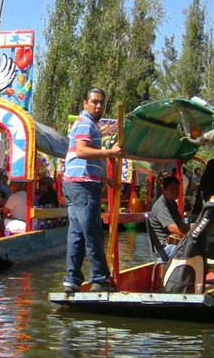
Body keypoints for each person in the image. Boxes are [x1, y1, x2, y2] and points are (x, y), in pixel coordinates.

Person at [62, 87, 124, 294]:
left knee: (78, 232)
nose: (98, 106)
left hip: (77, 182)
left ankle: (72, 279)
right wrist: (110, 152)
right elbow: (81, 151)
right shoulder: (86, 124)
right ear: (85, 103)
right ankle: (99, 278)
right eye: (94, 102)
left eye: (101, 103)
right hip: (82, 185)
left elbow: (86, 161)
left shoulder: (89, 124)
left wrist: (106, 179)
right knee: (92, 231)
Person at [148, 176, 190, 262]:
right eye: (171, 188)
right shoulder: (162, 207)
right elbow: (172, 227)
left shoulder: (172, 203)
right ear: (164, 191)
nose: (175, 191)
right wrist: (191, 236)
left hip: (172, 243)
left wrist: (193, 231)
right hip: (164, 248)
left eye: (176, 188)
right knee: (191, 250)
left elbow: (180, 223)